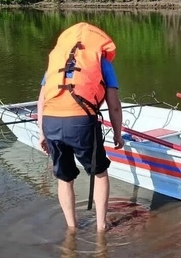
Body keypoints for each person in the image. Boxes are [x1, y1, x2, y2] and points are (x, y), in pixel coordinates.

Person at [37, 22, 124, 232]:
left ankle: (72, 228)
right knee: (99, 172)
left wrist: (42, 133)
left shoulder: (57, 60)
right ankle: (101, 227)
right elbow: (114, 106)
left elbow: (41, 100)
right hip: (81, 122)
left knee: (64, 178)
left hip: (51, 122)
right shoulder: (102, 62)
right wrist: (118, 135)